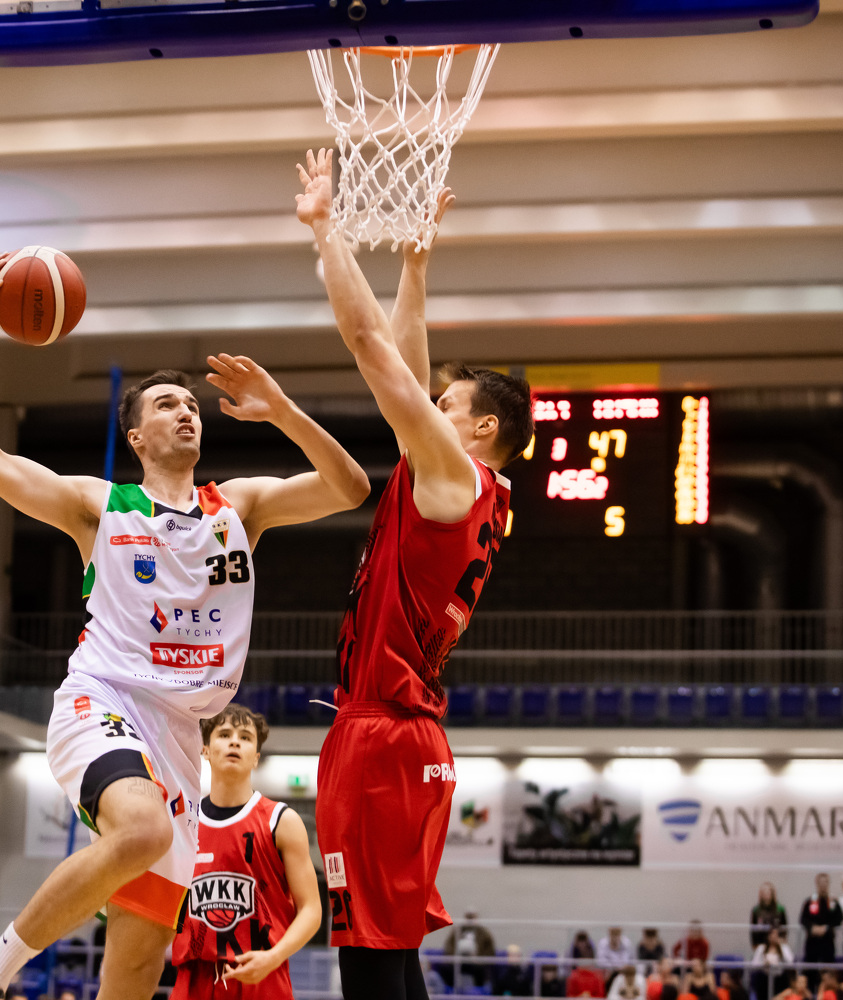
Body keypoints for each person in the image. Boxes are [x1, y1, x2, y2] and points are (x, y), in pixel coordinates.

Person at [0, 249, 367, 1000]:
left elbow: (351, 487)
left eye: (192, 405)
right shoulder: (100, 505)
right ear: (137, 438)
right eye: (167, 405)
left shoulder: (238, 506)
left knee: (138, 969)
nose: (186, 412)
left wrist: (282, 410)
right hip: (104, 699)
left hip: (178, 737)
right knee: (142, 830)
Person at [296, 148, 531, 1000]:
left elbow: (372, 348)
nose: (432, 406)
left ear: (482, 429)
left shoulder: (451, 476)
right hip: (410, 738)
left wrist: (326, 231)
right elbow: (404, 359)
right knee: (389, 950)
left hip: (383, 737)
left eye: (448, 405)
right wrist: (416, 268)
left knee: (367, 957)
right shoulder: (480, 493)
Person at [170, 705, 323, 999]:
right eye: (224, 734)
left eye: (245, 737)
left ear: (256, 757)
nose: (234, 742)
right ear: (205, 750)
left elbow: (312, 910)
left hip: (263, 974)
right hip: (195, 978)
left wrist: (274, 956)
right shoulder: (182, 820)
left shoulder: (281, 821)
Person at [443, 911, 498, 989]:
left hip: (477, 962)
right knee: (446, 968)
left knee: (482, 971)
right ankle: (451, 989)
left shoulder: (484, 933)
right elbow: (448, 946)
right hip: (459, 961)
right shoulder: (457, 931)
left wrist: (479, 959)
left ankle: (479, 990)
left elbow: (490, 950)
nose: (470, 921)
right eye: (468, 919)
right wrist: (455, 956)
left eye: (472, 918)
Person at [798, 874, 843, 966]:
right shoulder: (810, 901)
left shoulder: (833, 902)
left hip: (828, 941)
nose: (823, 885)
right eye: (821, 882)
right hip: (812, 941)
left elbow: (839, 919)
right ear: (817, 883)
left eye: (825, 882)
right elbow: (803, 919)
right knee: (811, 968)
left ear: (828, 883)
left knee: (828, 967)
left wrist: (826, 928)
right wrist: (812, 927)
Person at [749, 927, 795, 1000]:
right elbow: (754, 964)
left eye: (776, 934)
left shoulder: (784, 948)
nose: (774, 936)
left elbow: (790, 962)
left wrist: (781, 945)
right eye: (772, 934)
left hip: (779, 979)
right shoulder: (761, 948)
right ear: (768, 936)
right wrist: (764, 963)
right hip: (765, 978)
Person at [751, 884, 788, 949]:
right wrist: (755, 943)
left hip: (777, 942)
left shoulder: (780, 909)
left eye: (768, 892)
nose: (766, 895)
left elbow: (784, 926)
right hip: (761, 942)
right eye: (764, 893)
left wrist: (781, 939)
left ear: (772, 894)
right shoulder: (756, 910)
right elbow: (753, 928)